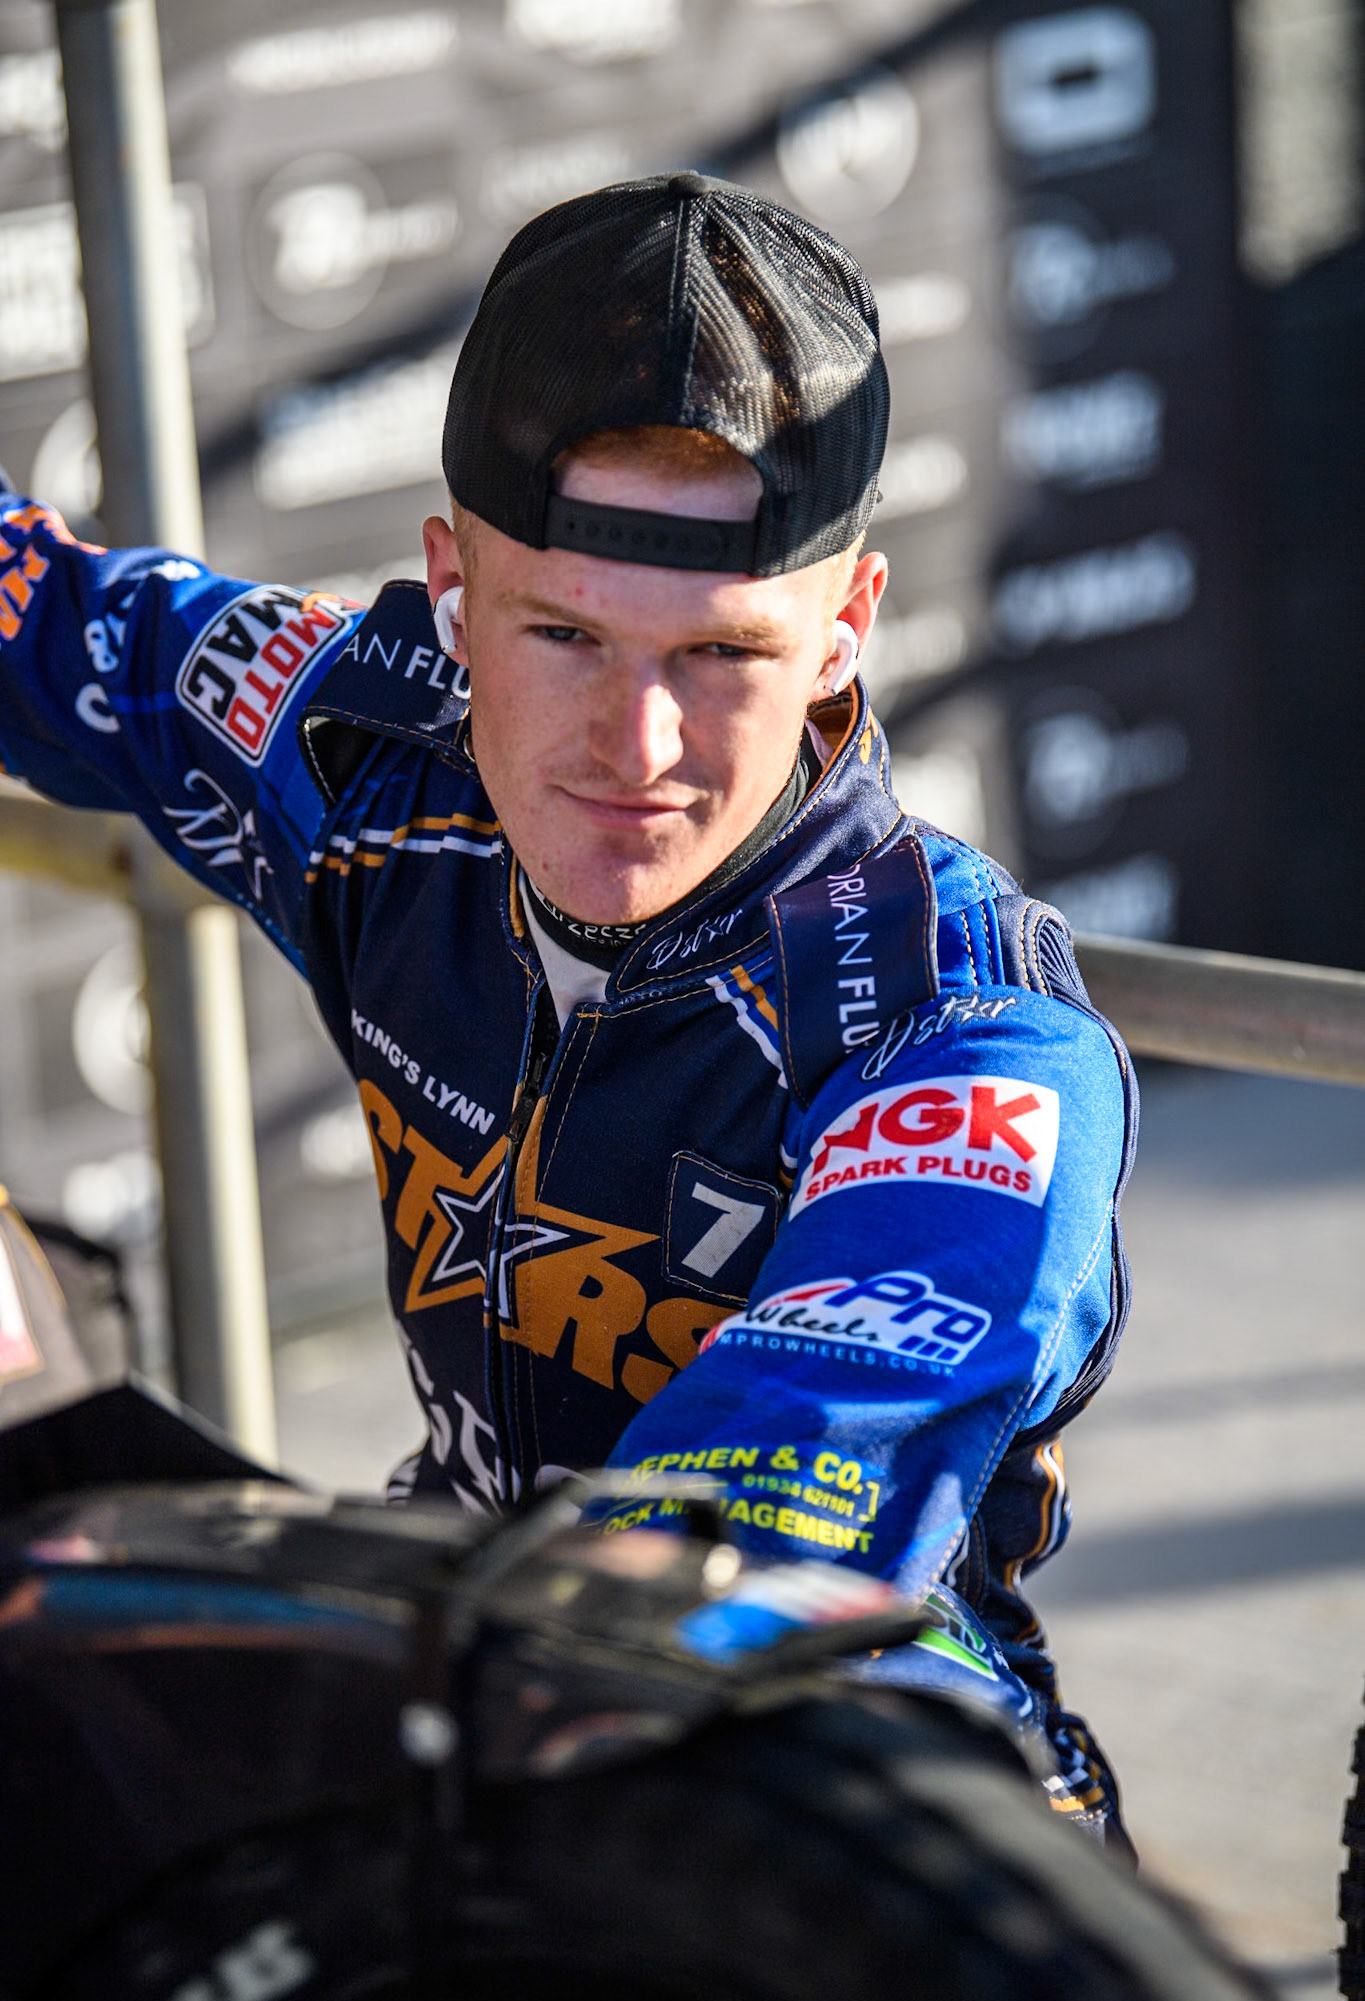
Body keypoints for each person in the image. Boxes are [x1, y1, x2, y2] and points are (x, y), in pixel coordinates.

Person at [0, 173, 1136, 1845]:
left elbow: (762, 1519)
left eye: (723, 656)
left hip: (841, 1781)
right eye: (564, 636)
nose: (640, 748)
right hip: (455, 1669)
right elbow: (43, 615)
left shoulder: (954, 1030)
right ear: (450, 588)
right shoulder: (359, 755)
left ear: (844, 629)